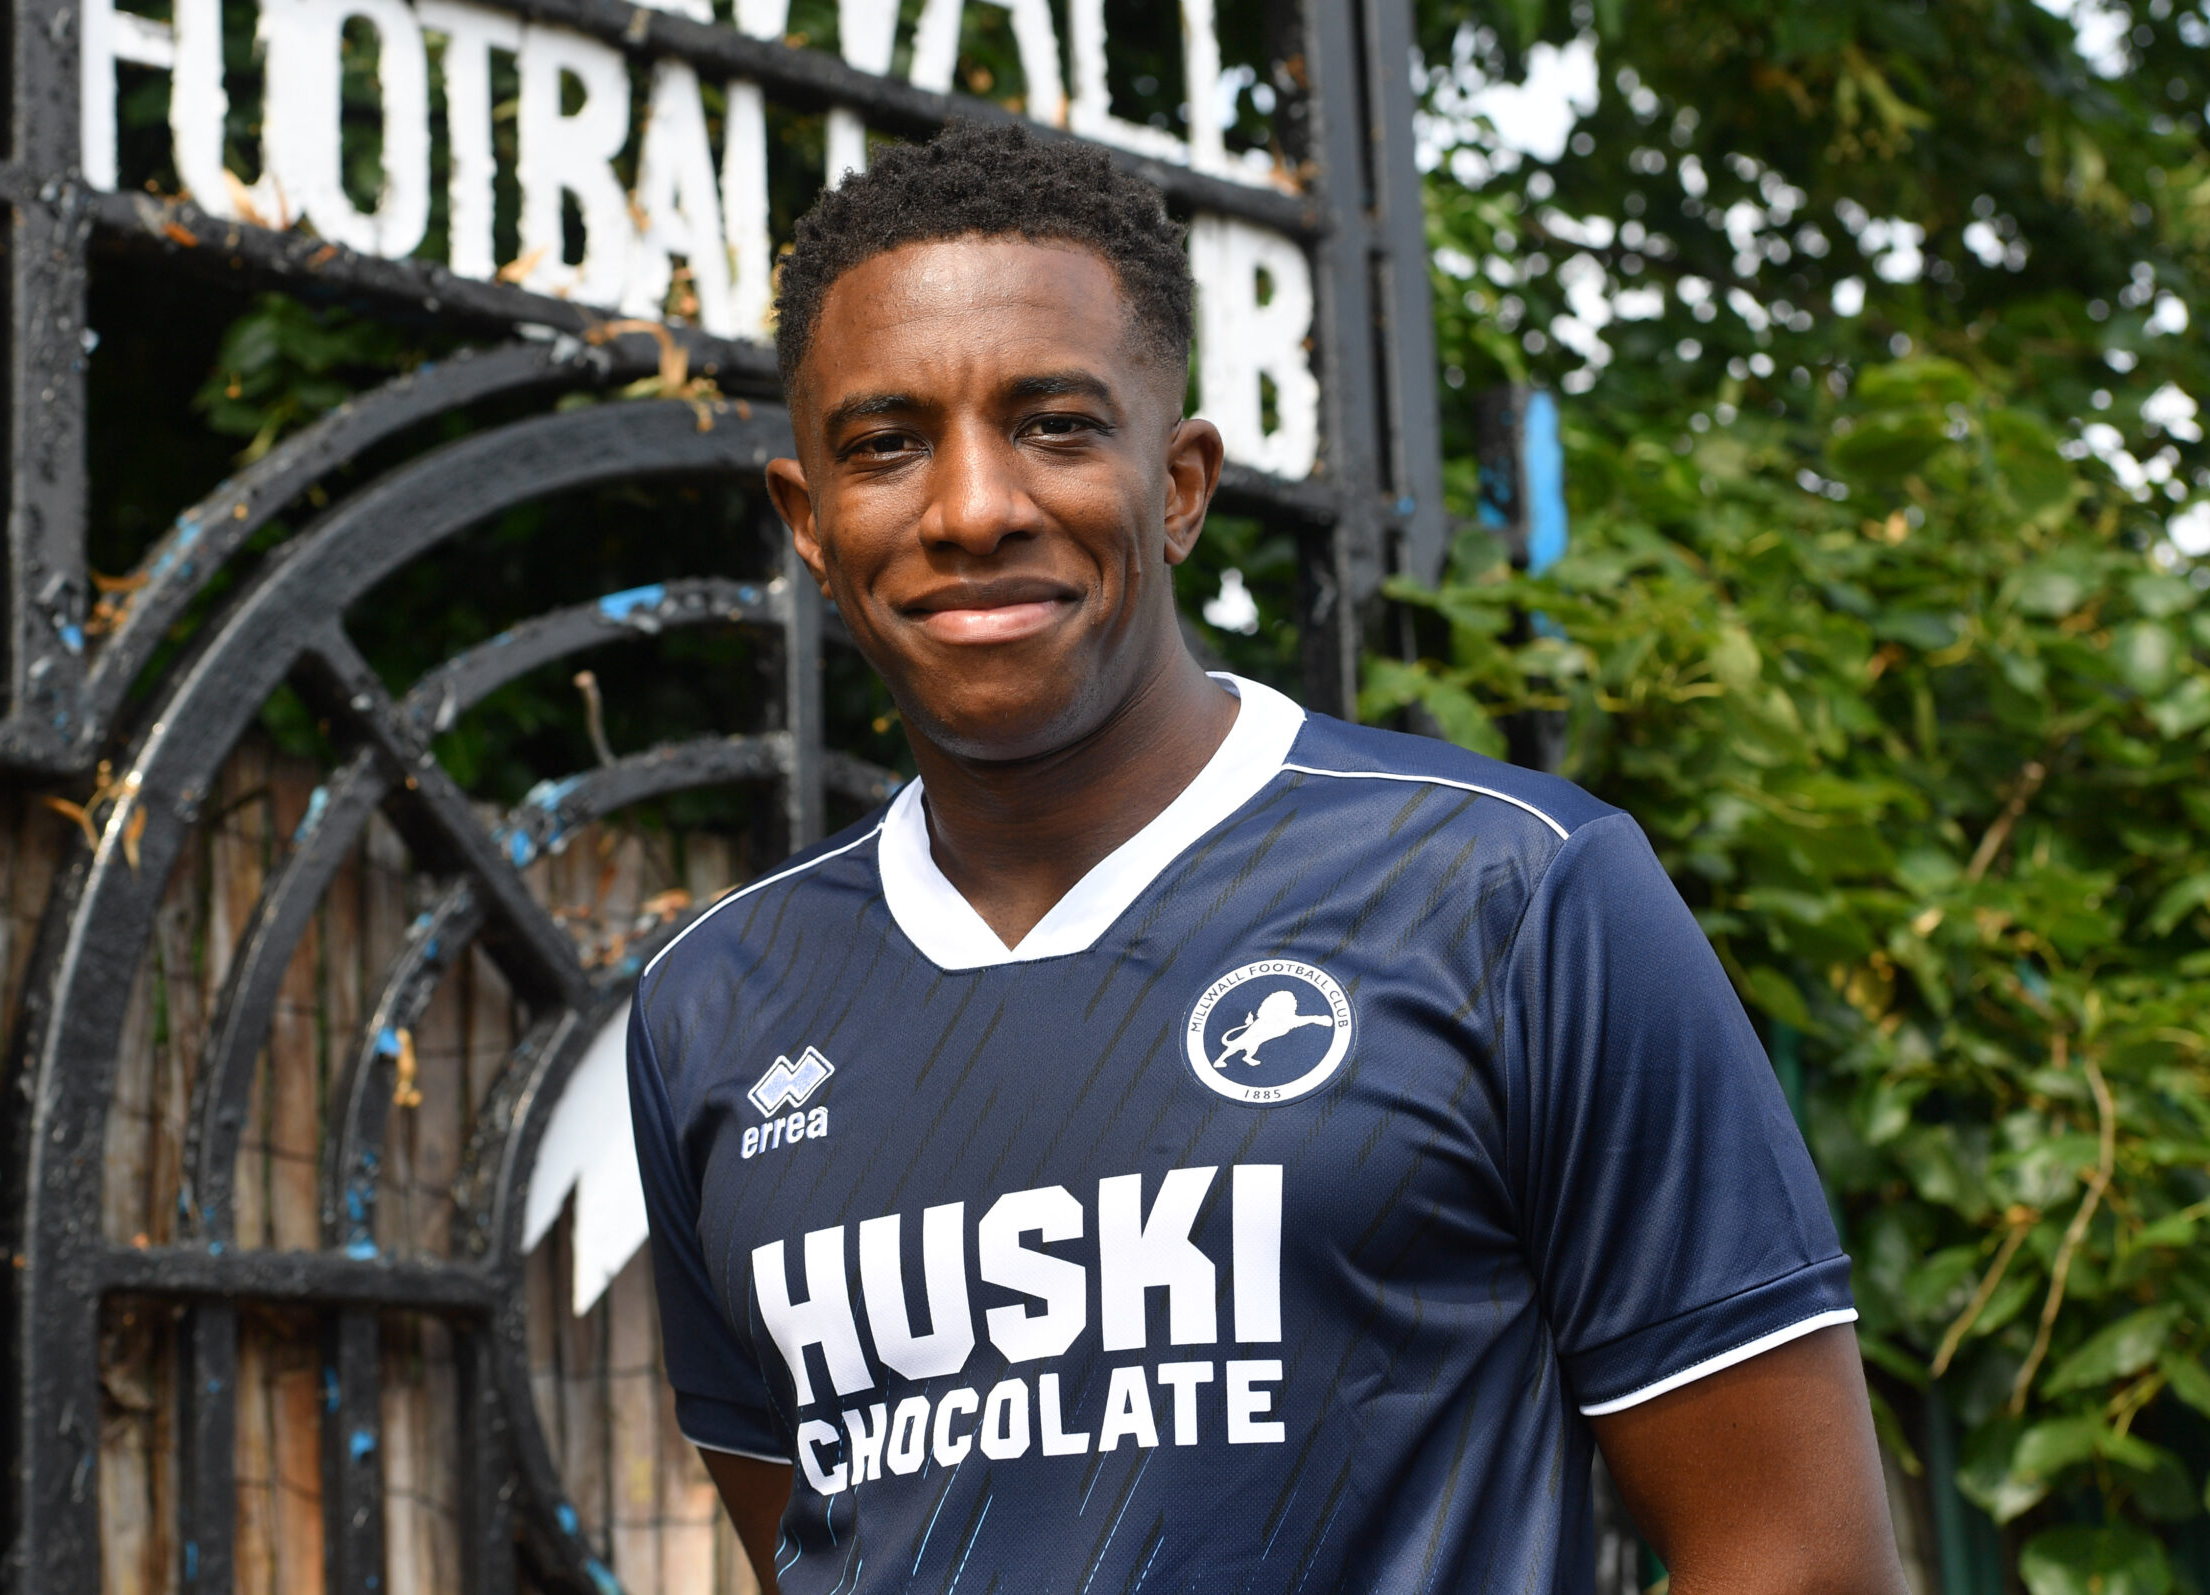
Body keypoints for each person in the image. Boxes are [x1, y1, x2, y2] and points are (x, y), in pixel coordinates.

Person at [626, 121, 1906, 1594]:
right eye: (887, 445)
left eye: (1056, 426)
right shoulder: (714, 1003)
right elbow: (819, 1548)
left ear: (1178, 486)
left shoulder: (1506, 894)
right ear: (809, 519)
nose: (974, 508)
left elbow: (1799, 1559)